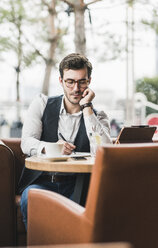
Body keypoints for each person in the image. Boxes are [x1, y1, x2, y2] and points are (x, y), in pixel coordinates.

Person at [18, 53, 111, 229]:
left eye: (81, 81)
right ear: (61, 81)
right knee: (30, 196)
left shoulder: (98, 116)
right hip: (44, 182)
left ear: (89, 81)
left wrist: (87, 109)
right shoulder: (41, 104)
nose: (76, 88)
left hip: (81, 184)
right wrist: (51, 148)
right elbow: (27, 142)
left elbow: (104, 151)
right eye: (70, 81)